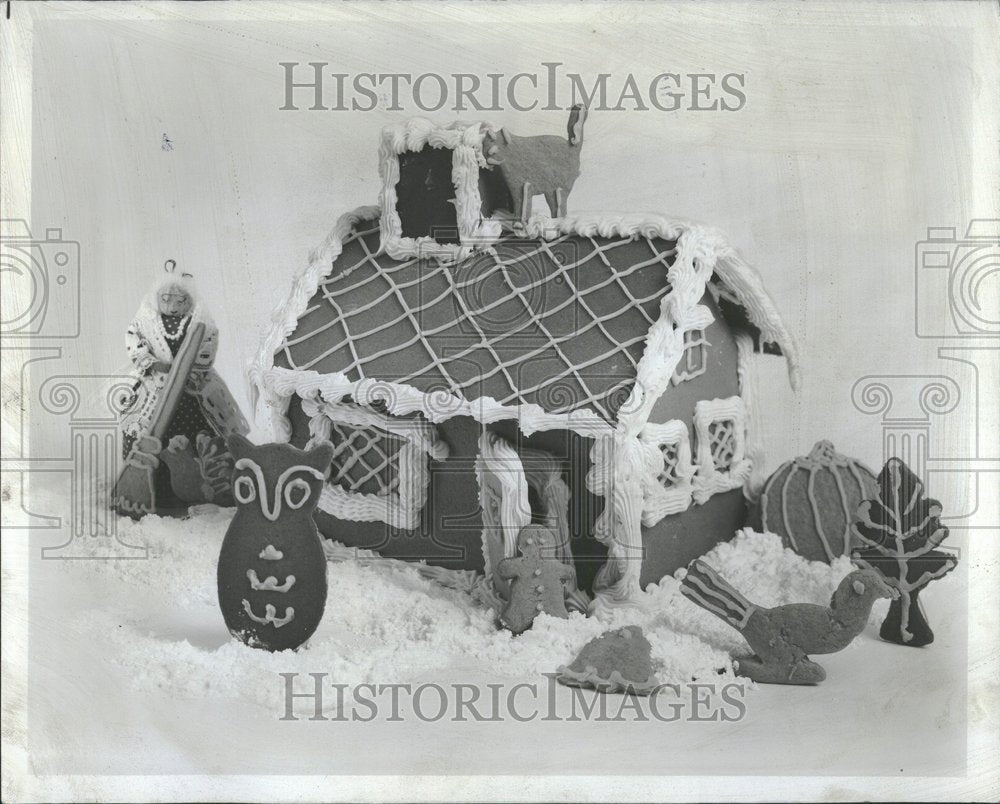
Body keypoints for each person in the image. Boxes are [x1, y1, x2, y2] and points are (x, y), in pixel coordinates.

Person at [120, 261, 248, 509]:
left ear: (190, 299)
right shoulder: (145, 318)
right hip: (153, 384)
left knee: (200, 426)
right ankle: (153, 487)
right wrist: (150, 362)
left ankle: (197, 486)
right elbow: (133, 338)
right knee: (143, 426)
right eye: (166, 299)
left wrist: (192, 370)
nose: (174, 306)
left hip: (191, 386)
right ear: (157, 298)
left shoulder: (200, 320)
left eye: (181, 300)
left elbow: (207, 344)